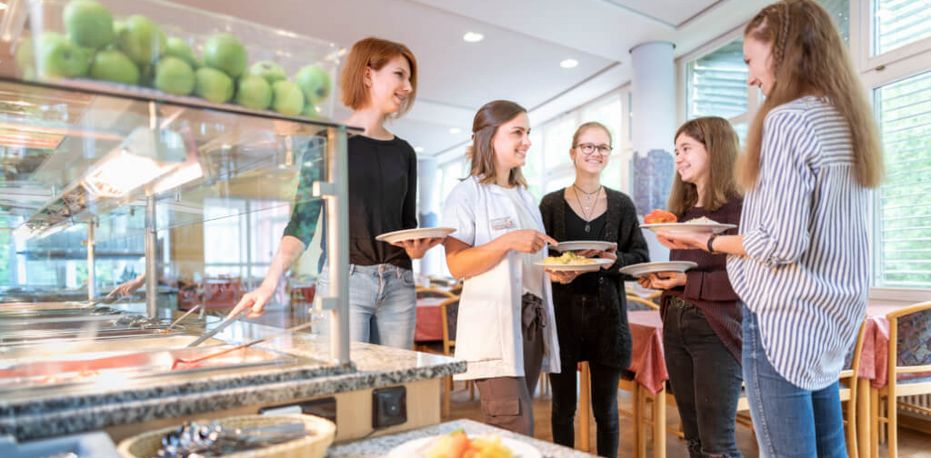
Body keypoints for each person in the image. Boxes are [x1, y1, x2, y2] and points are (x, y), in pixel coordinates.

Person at [656, 1, 884, 456]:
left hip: (784, 318)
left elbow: (780, 243)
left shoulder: (786, 120)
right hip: (829, 315)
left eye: (749, 61)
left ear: (780, 51)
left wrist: (707, 239)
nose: (750, 78)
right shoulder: (845, 120)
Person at [230, 37, 443, 349]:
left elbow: (407, 226)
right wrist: (269, 283)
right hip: (345, 282)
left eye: (409, 79)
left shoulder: (405, 152)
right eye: (400, 75)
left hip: (400, 283)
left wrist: (417, 249)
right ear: (368, 75)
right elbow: (302, 223)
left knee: (396, 379)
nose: (408, 87)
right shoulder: (327, 142)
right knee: (347, 377)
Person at [442, 100, 561, 436]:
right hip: (493, 326)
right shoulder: (466, 195)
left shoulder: (525, 196)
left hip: (531, 321)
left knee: (515, 428)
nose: (527, 141)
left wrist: (558, 272)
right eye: (517, 132)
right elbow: (457, 265)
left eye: (528, 133)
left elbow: (529, 262)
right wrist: (507, 241)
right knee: (514, 424)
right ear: (490, 137)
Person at [539, 121, 649, 457]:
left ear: (609, 154)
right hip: (562, 317)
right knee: (562, 408)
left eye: (602, 147)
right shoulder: (550, 204)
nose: (594, 153)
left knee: (607, 411)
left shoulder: (622, 204)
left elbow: (640, 258)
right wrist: (557, 269)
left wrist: (611, 262)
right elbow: (537, 258)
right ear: (572, 152)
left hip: (608, 321)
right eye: (587, 146)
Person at [638, 117, 743, 457]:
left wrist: (686, 280)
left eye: (686, 149)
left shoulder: (741, 208)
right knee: (694, 440)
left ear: (715, 150)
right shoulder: (683, 213)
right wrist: (662, 278)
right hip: (676, 325)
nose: (679, 158)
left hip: (716, 329)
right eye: (676, 151)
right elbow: (685, 271)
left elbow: (748, 282)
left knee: (717, 445)